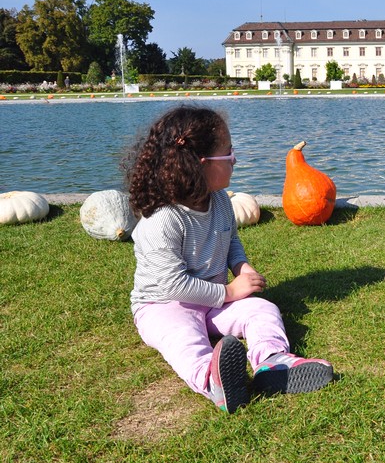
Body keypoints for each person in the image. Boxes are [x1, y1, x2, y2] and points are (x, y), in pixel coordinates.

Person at [125, 106, 333, 413]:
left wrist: (241, 266)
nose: (235, 158)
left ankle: (272, 362)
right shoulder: (162, 219)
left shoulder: (220, 199)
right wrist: (230, 292)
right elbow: (171, 284)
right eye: (229, 151)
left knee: (263, 309)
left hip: (212, 302)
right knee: (184, 338)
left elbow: (230, 238)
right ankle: (212, 381)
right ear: (201, 164)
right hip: (164, 306)